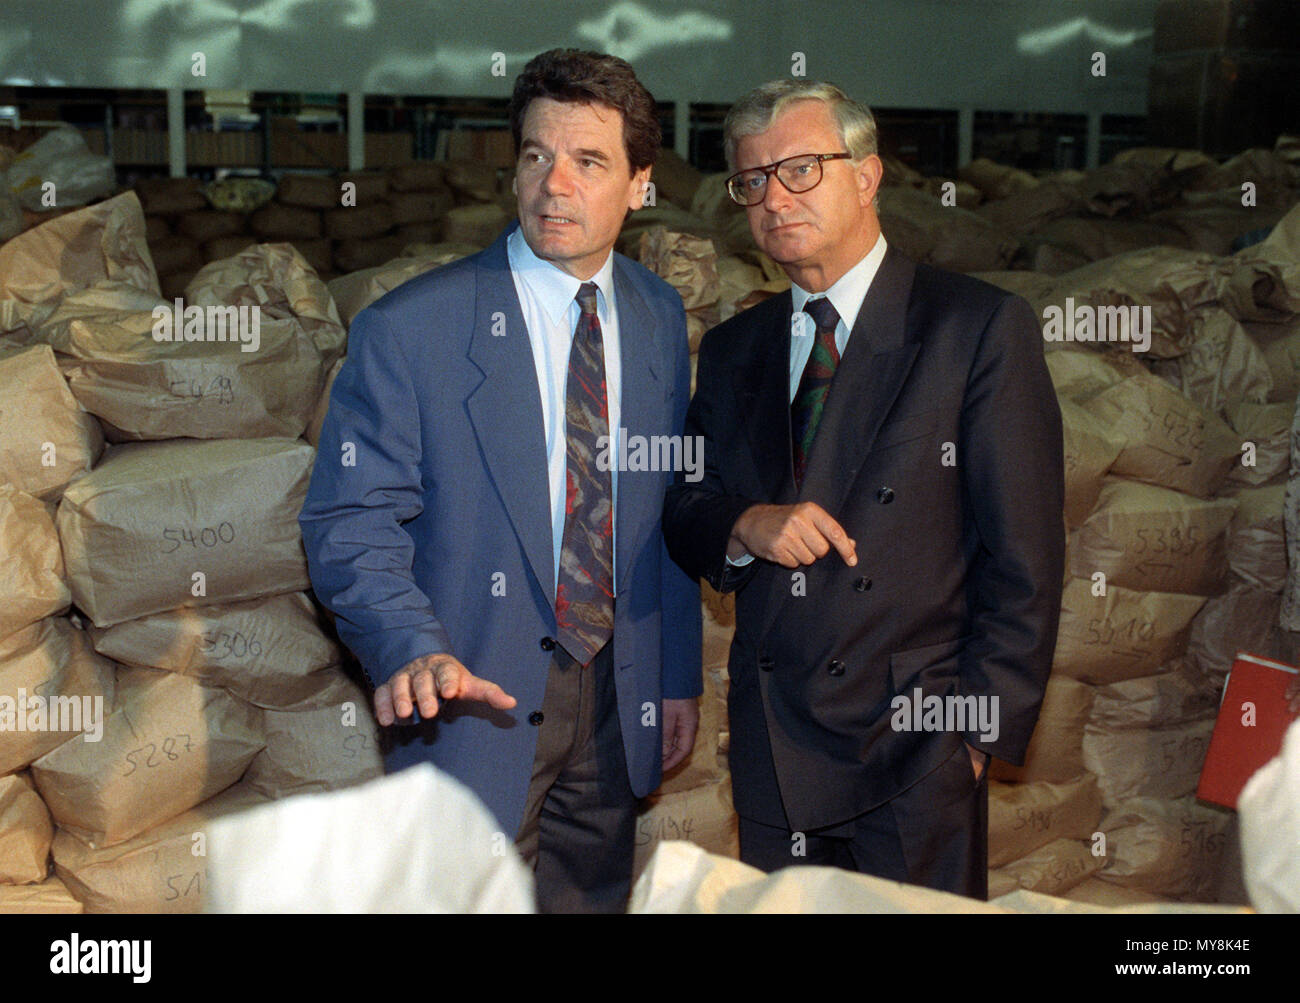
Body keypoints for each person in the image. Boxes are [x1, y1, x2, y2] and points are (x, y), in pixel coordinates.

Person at [300, 48, 702, 914]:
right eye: (534, 155)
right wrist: (409, 644)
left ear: (641, 184)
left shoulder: (658, 316)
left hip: (614, 688)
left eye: (588, 161)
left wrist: (674, 676)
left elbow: (659, 509)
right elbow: (349, 518)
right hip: (471, 692)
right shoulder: (413, 329)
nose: (554, 183)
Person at [662, 80, 1064, 899]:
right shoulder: (738, 346)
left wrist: (974, 733)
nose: (775, 198)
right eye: (753, 182)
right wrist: (745, 523)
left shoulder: (973, 327)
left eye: (801, 169)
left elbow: (1025, 556)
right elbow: (682, 501)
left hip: (918, 740)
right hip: (778, 737)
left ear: (868, 176)